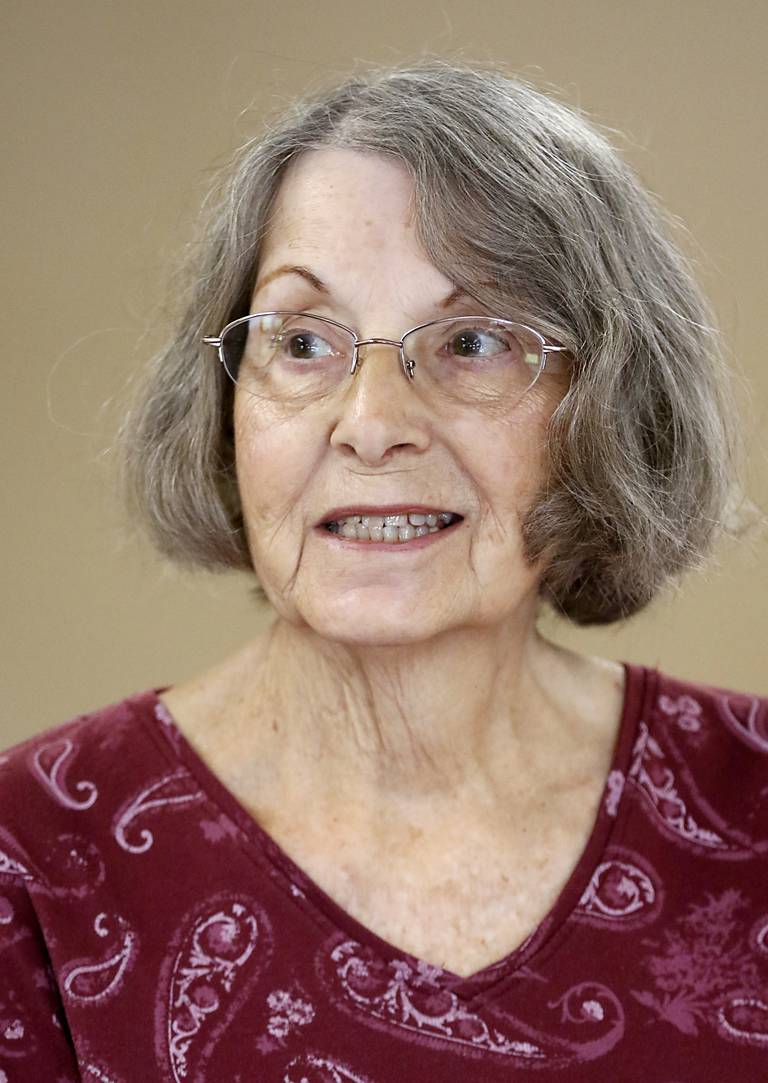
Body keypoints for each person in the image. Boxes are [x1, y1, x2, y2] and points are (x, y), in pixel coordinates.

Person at [1, 60, 766, 1082]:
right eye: (304, 341)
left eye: (474, 340)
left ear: (607, 408)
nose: (370, 424)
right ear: (226, 409)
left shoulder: (750, 804)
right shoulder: (30, 863)